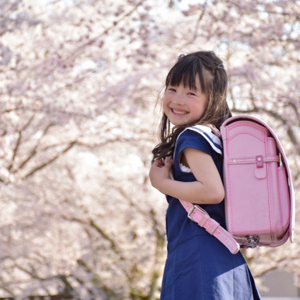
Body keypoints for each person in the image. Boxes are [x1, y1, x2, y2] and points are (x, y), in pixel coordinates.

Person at [149, 51, 261, 300]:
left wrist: (162, 183)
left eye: (191, 93)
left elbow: (212, 191)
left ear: (213, 99)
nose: (177, 99)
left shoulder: (192, 137)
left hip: (198, 258)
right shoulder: (218, 137)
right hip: (223, 256)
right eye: (172, 88)